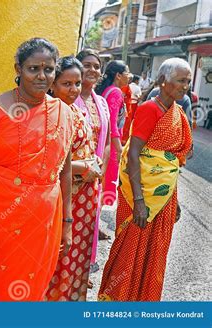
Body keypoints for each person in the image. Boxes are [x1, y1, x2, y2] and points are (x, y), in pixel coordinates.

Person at [0, 38, 74, 301]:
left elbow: (64, 171)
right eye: (33, 68)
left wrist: (67, 223)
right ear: (18, 69)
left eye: (49, 69)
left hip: (44, 224)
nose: (42, 76)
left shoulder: (65, 113)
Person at [98, 58, 193, 301]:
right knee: (131, 251)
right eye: (181, 80)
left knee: (154, 252)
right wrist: (140, 200)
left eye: (188, 81)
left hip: (162, 198)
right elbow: (134, 154)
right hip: (140, 198)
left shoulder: (177, 112)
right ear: (163, 82)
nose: (186, 87)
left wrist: (173, 198)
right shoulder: (150, 109)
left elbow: (167, 165)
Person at [45, 56, 103, 301]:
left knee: (76, 260)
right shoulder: (49, 114)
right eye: (66, 84)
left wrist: (94, 164)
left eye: (77, 83)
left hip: (84, 203)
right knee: (58, 258)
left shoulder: (76, 111)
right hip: (63, 200)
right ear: (53, 85)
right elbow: (47, 162)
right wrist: (84, 167)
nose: (73, 89)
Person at [73, 49, 111, 285]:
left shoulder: (102, 102)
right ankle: (64, 269)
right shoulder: (66, 98)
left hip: (94, 176)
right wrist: (83, 169)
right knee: (68, 224)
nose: (93, 70)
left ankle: (82, 268)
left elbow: (106, 142)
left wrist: (101, 169)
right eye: (87, 65)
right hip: (72, 174)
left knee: (88, 225)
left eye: (97, 66)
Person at [96, 60, 130, 206]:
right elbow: (113, 125)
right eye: (127, 73)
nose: (129, 77)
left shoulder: (107, 90)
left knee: (101, 182)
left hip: (105, 142)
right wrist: (119, 149)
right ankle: (96, 223)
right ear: (118, 75)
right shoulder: (116, 93)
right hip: (111, 146)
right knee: (108, 182)